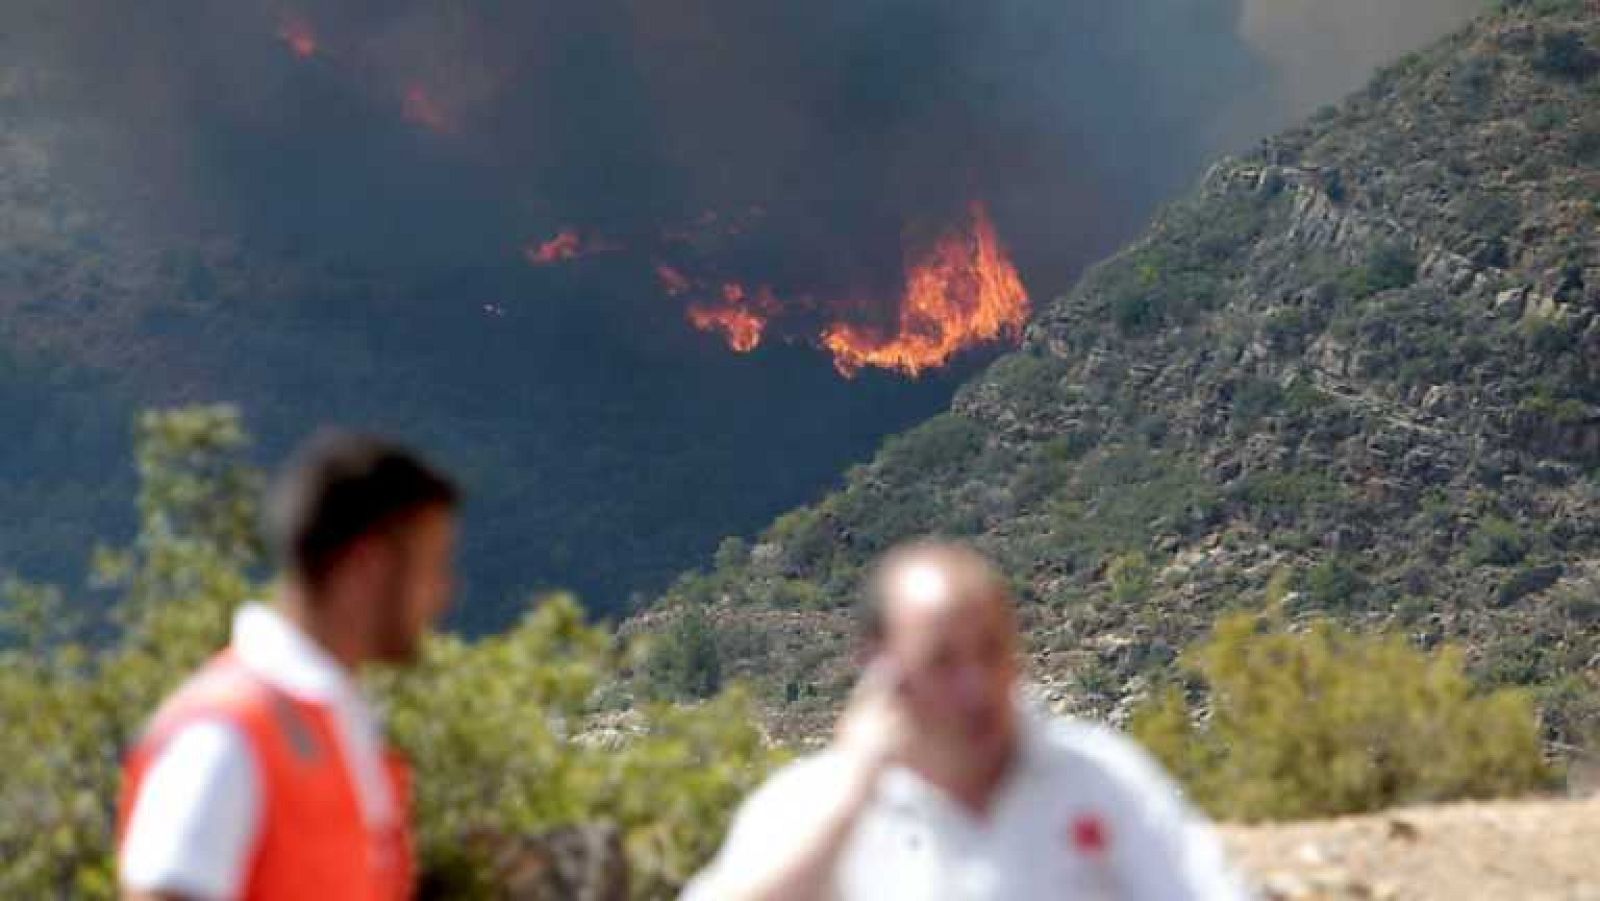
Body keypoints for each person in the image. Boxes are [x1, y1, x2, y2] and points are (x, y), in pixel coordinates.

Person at [685, 540, 1248, 901]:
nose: (975, 686)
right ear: (882, 667)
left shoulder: (1099, 778)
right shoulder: (810, 804)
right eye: (942, 661)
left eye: (990, 651)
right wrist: (859, 783)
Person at [117, 432, 459, 901]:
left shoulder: (331, 726)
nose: (442, 595)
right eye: (432, 567)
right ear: (369, 566)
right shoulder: (226, 735)